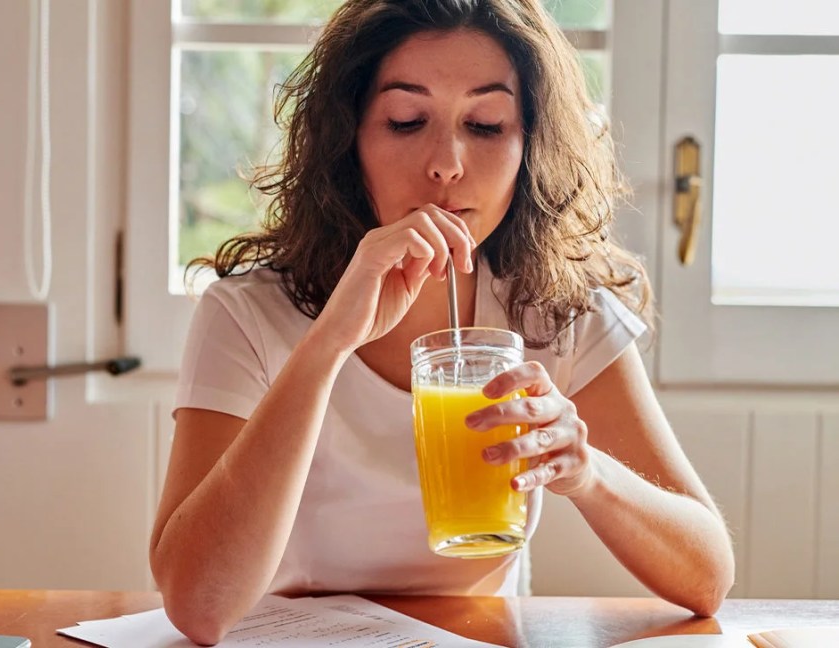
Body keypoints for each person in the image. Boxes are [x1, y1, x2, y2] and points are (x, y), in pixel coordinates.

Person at [149, 0, 736, 644]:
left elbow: (707, 577)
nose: (447, 163)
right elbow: (198, 607)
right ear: (351, 142)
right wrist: (328, 345)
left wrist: (586, 471)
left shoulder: (557, 308)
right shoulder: (246, 315)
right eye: (406, 120)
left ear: (528, 146)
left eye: (485, 125)